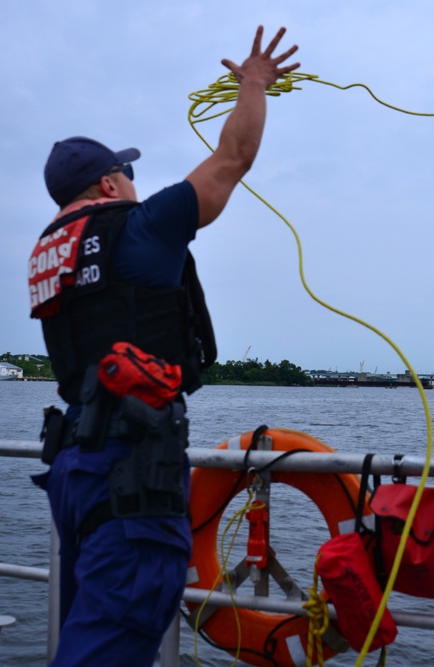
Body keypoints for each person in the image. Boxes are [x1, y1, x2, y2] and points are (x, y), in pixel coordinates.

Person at [28, 25, 299, 667]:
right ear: (110, 184)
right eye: (127, 173)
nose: (134, 183)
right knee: (112, 644)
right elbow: (231, 158)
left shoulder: (48, 252)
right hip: (132, 473)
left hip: (75, 467)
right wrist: (254, 83)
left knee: (84, 634)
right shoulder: (139, 227)